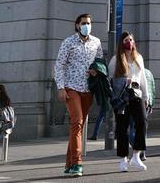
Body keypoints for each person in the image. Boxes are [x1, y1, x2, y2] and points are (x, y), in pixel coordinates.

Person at [54, 13, 103, 177]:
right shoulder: (68, 42)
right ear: (77, 25)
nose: (86, 26)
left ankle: (69, 164)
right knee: (77, 121)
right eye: (83, 23)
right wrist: (61, 87)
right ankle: (77, 163)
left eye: (89, 23)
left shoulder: (96, 42)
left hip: (88, 90)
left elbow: (100, 61)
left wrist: (96, 70)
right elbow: (59, 65)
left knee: (78, 125)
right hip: (71, 88)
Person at [109, 31, 150, 173]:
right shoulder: (116, 60)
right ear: (122, 42)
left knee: (142, 122)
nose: (129, 42)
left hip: (136, 94)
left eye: (131, 39)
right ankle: (122, 159)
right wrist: (122, 82)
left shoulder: (139, 58)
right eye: (126, 40)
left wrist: (146, 97)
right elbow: (111, 80)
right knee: (122, 127)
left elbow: (143, 78)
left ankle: (136, 155)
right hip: (122, 97)